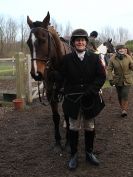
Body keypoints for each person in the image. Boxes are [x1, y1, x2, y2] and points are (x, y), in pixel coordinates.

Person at [58, 29, 106, 170]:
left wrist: (91, 90)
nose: (80, 42)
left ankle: (89, 153)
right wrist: (54, 75)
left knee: (90, 126)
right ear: (73, 43)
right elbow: (62, 77)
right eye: (77, 40)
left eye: (82, 40)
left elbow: (101, 76)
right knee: (73, 127)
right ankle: (73, 155)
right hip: (72, 100)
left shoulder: (94, 58)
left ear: (86, 42)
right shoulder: (66, 60)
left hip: (89, 99)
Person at [107, 44, 133, 117]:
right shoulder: (112, 58)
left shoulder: (128, 57)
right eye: (120, 49)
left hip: (127, 79)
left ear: (125, 50)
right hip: (117, 80)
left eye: (123, 49)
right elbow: (109, 69)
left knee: (125, 94)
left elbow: (131, 66)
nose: (122, 50)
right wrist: (110, 78)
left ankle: (124, 110)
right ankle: (122, 108)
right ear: (117, 50)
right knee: (119, 95)